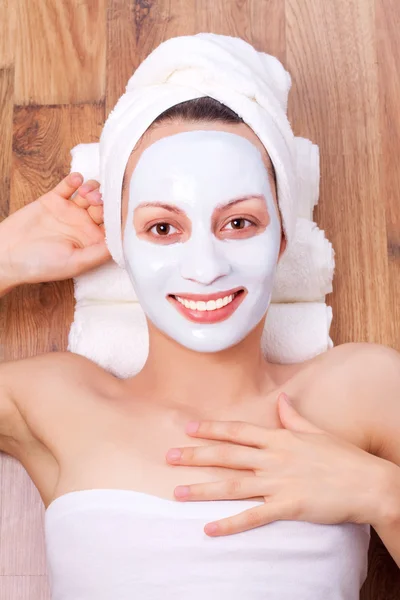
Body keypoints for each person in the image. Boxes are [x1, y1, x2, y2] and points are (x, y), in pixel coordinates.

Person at [0, 96, 399, 600]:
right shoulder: (56, 400)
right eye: (163, 228)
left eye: (238, 223)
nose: (206, 268)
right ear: (124, 246)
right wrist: (6, 260)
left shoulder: (360, 389)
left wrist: (383, 494)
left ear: (281, 237)